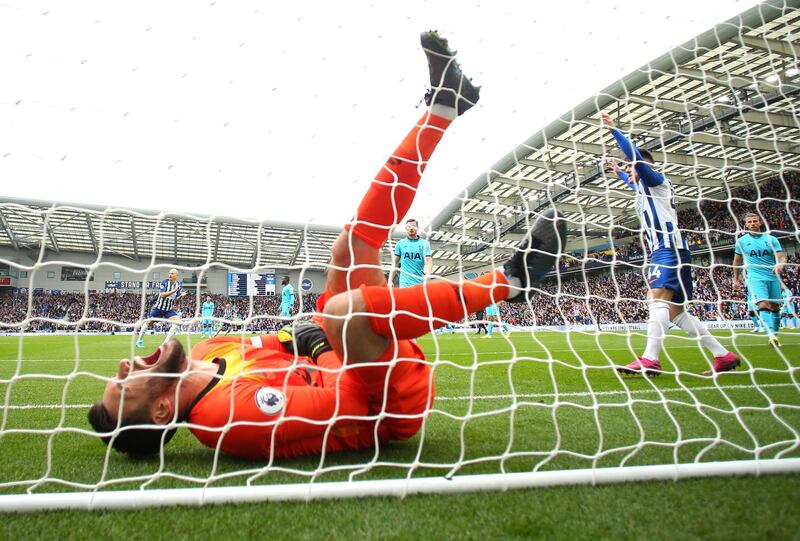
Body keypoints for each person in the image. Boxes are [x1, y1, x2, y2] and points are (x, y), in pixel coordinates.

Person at [87, 31, 566, 460]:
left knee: (349, 247)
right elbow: (345, 398)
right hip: (386, 403)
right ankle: (511, 282)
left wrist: (315, 340)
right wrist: (321, 347)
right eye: (124, 385)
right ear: (163, 407)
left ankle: (444, 106)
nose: (125, 364)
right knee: (341, 310)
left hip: (360, 355)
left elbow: (295, 337)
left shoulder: (214, 347)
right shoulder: (228, 419)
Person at [603, 113, 739, 376]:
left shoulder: (655, 180)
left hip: (667, 249)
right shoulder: (644, 190)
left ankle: (650, 359)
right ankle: (723, 355)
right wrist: (620, 174)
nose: (630, 172)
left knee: (656, 300)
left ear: (642, 167)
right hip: (671, 249)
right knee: (675, 311)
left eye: (631, 168)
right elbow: (633, 184)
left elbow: (638, 162)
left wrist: (615, 131)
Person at [732, 212, 787, 348]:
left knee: (775, 307)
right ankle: (771, 336)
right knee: (762, 304)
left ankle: (775, 334)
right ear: (745, 225)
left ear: (760, 223)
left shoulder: (771, 239)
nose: (752, 224)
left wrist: (780, 264)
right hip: (754, 278)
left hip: (772, 277)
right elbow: (736, 262)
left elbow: (782, 257)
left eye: (755, 221)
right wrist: (735, 279)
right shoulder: (741, 241)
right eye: (749, 222)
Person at [135, 268, 188, 348]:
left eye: (172, 273)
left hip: (168, 310)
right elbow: (162, 295)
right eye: (169, 273)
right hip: (158, 308)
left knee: (178, 323)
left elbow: (177, 299)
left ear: (176, 275)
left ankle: (165, 344)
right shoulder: (164, 282)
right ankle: (139, 341)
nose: (170, 275)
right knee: (149, 323)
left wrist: (181, 296)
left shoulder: (178, 285)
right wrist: (173, 291)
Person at [392, 219, 433, 287]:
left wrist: (428, 273)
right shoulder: (400, 243)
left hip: (419, 282)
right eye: (409, 226)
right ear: (406, 228)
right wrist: (390, 280)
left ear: (417, 228)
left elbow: (429, 261)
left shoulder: (424, 243)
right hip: (404, 283)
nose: (411, 228)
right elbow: (395, 263)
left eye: (413, 226)